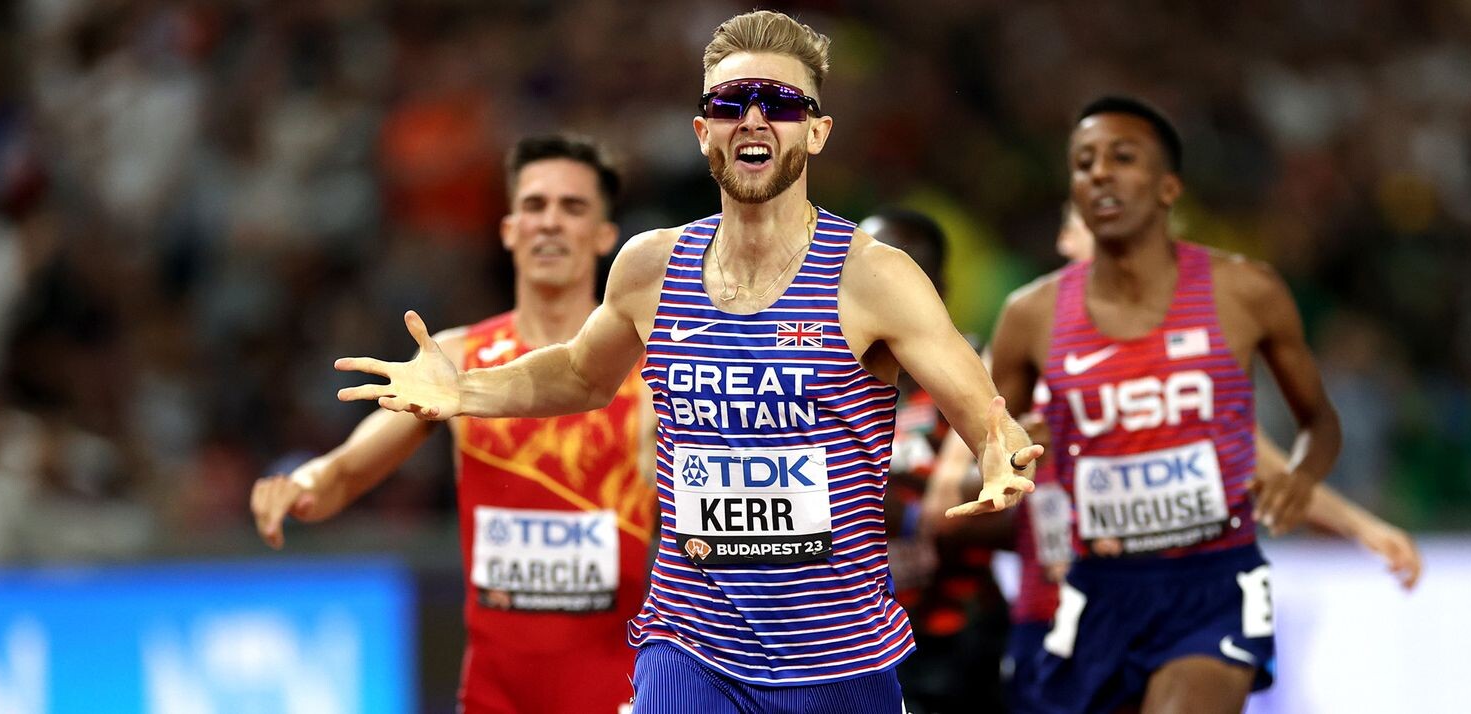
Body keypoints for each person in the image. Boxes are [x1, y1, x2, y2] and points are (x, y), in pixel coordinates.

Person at [330, 11, 1042, 713]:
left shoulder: (872, 276)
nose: (754, 119)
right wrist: (466, 389)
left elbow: (978, 403)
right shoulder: (650, 266)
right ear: (704, 133)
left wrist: (998, 448)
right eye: (731, 103)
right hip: (689, 650)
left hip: (839, 659)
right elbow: (580, 374)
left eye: (781, 103)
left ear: (817, 131)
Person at [926, 205, 1422, 712]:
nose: (1070, 243)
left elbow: (1257, 461)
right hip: (1059, 617)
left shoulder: (1186, 352)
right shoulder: (1026, 342)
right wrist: (1022, 466)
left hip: (1178, 604)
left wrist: (1361, 526)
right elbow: (942, 506)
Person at [248, 134, 655, 714]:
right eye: (534, 205)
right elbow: (346, 470)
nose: (550, 222)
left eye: (573, 207)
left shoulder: (648, 373)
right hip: (493, 698)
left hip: (620, 695)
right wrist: (302, 483)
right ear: (509, 230)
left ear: (605, 236)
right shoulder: (455, 362)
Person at [987, 95, 1343, 714]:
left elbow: (1320, 422)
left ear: (1168, 187)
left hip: (1212, 584)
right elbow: (984, 450)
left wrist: (1302, 476)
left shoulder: (1246, 291)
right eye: (1084, 163)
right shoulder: (1030, 316)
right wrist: (1011, 461)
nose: (1100, 173)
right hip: (1094, 590)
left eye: (1122, 158)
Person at [862, 208, 1013, 714]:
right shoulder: (827, 375)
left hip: (954, 632)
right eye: (869, 274)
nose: (885, 290)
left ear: (938, 290)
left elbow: (1009, 507)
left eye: (905, 273)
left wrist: (908, 515)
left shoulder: (973, 374)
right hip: (853, 631)